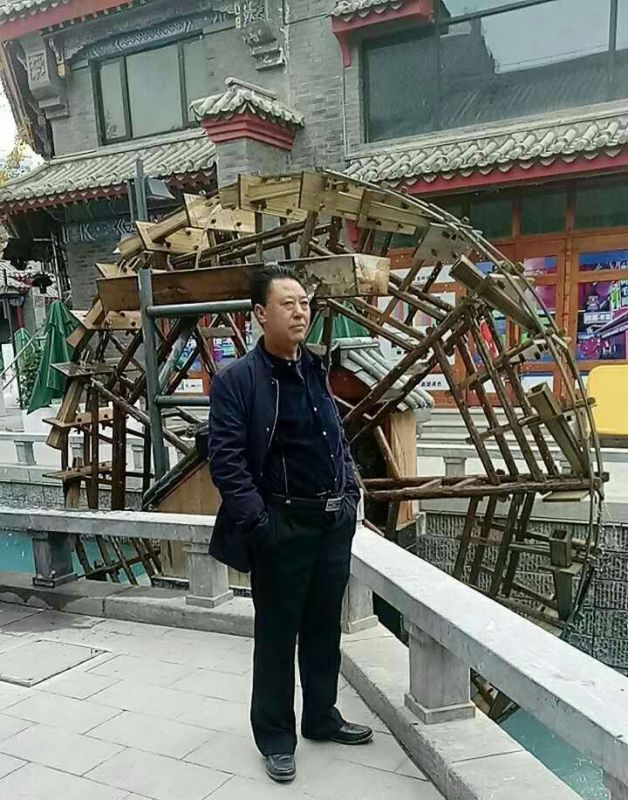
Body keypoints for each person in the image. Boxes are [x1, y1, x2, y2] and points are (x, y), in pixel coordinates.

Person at [207, 264, 373, 783]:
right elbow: (226, 462)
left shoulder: (315, 367)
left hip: (331, 523)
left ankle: (321, 716)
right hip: (283, 526)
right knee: (277, 638)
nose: (301, 311)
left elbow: (335, 436)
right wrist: (262, 526)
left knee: (324, 628)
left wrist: (350, 494)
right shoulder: (238, 380)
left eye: (304, 302)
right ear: (261, 314)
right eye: (288, 303)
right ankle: (276, 738)